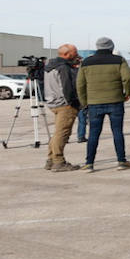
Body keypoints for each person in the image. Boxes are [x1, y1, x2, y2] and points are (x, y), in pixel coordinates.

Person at [76, 36, 130, 171]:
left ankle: (89, 163)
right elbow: (128, 78)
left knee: (93, 134)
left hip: (94, 103)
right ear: (112, 47)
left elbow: (80, 85)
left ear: (97, 47)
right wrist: (127, 94)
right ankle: (121, 161)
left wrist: (85, 102)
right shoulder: (119, 60)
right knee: (117, 132)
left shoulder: (86, 62)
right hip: (115, 101)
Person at [42, 44, 83, 172]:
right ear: (66, 54)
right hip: (65, 104)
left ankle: (51, 159)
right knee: (63, 133)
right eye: (74, 52)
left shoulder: (50, 66)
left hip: (53, 102)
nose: (76, 54)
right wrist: (75, 103)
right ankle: (58, 161)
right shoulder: (64, 68)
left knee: (58, 133)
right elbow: (67, 87)